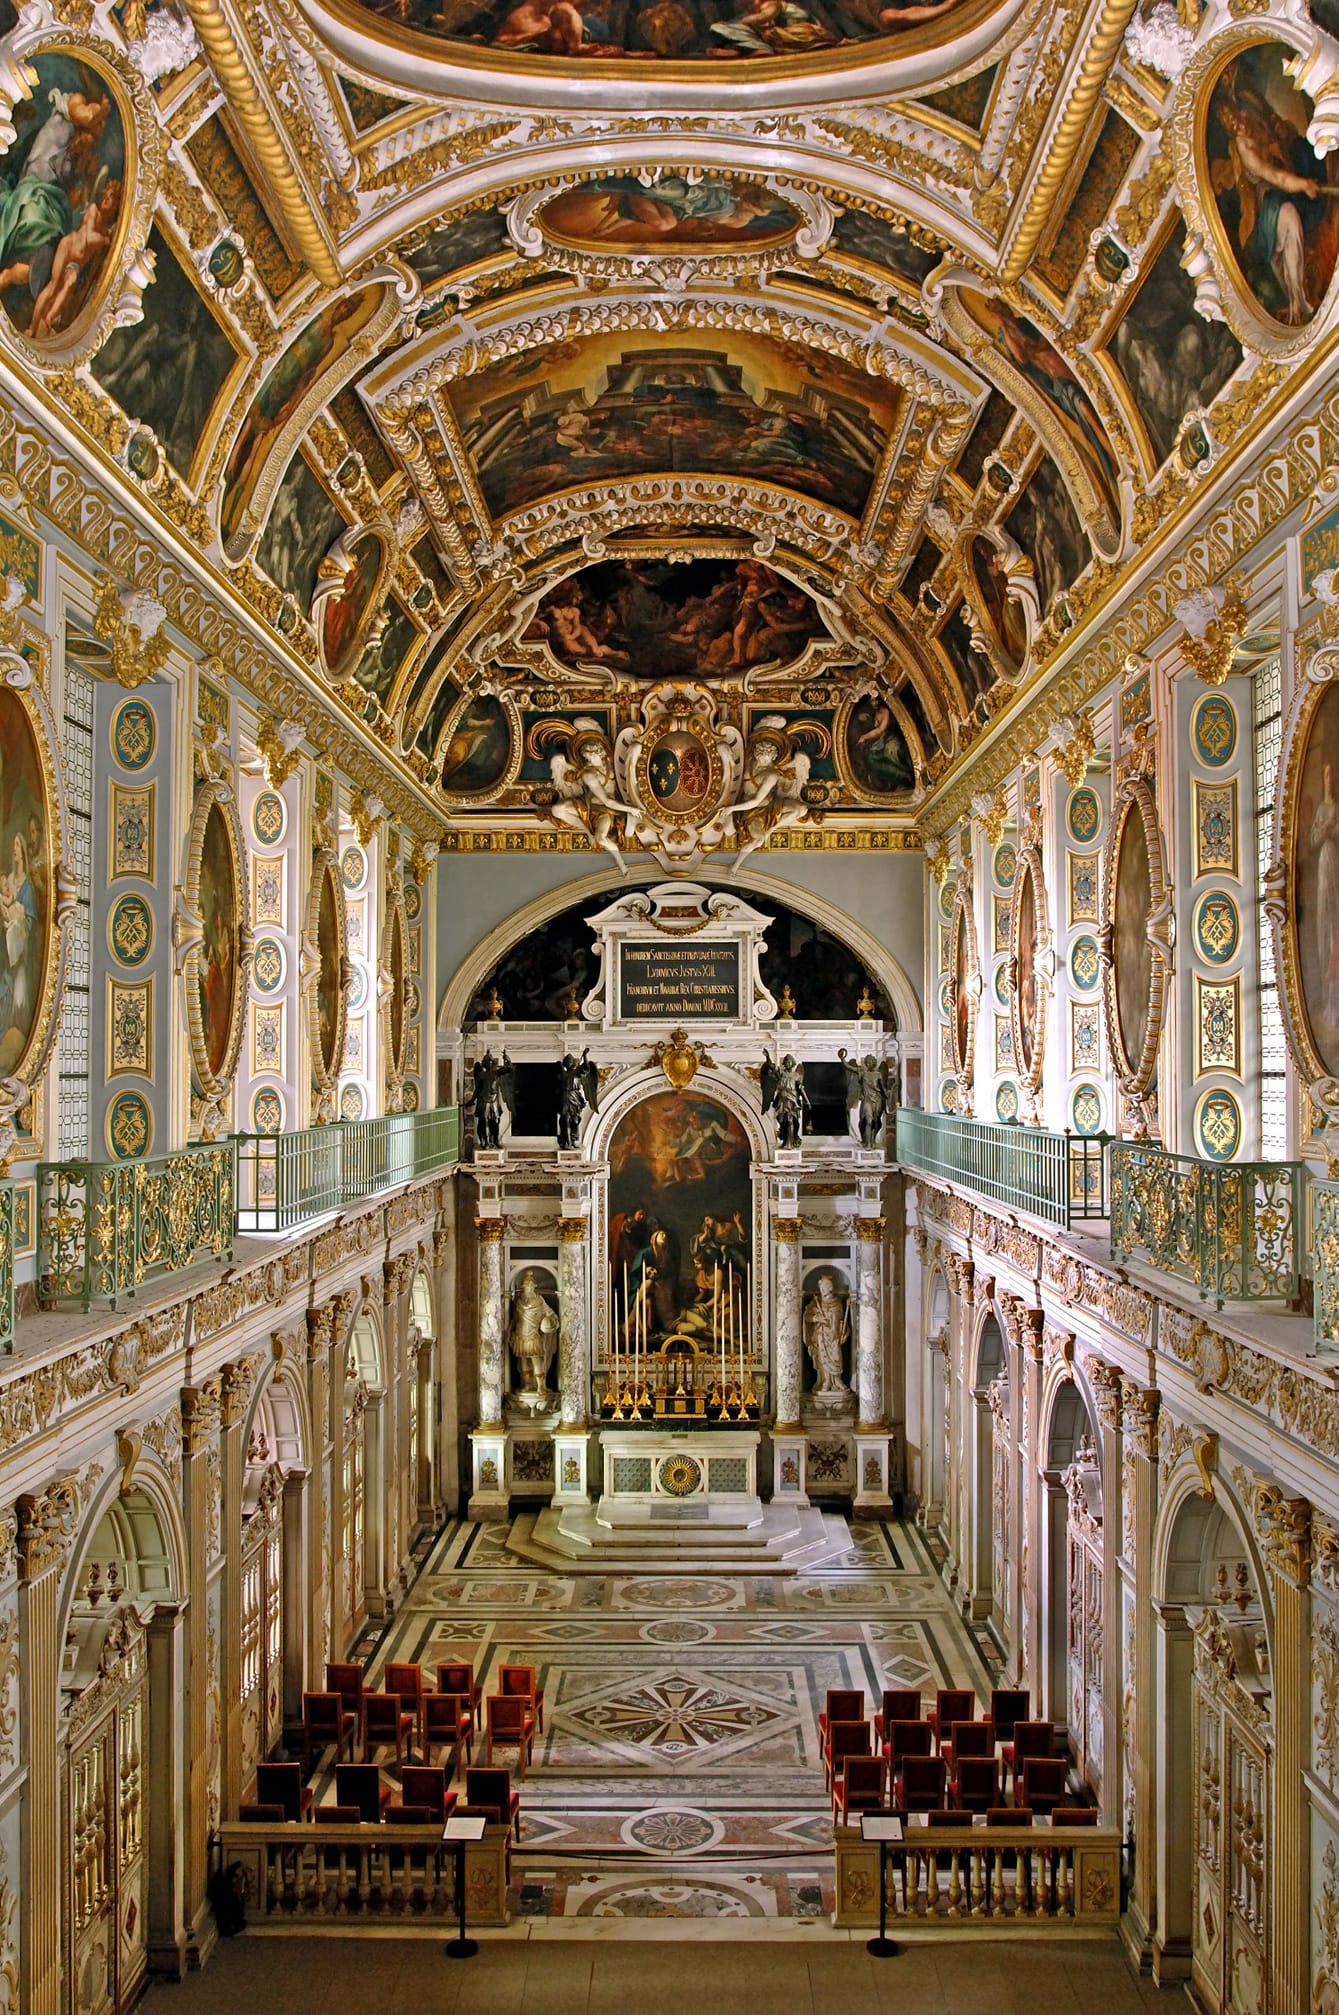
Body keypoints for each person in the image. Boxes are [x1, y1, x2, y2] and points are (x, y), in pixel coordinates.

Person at [507, 1269, 559, 1395]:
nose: (527, 1289)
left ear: (534, 1287)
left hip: (533, 1335)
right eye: (525, 1287)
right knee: (523, 1362)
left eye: (530, 1287)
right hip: (520, 1336)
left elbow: (550, 1313)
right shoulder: (519, 1301)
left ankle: (541, 1386)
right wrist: (509, 1331)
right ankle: (527, 1385)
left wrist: (551, 1321)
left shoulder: (539, 1301)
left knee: (537, 1361)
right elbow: (515, 1318)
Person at [803, 1273, 850, 1396]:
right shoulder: (816, 1302)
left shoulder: (837, 1303)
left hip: (834, 1336)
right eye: (822, 1288)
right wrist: (818, 1318)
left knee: (836, 1356)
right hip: (821, 1336)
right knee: (822, 1359)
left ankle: (837, 1380)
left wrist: (843, 1330)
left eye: (826, 1288)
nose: (824, 1291)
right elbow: (807, 1316)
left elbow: (842, 1320)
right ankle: (826, 1381)